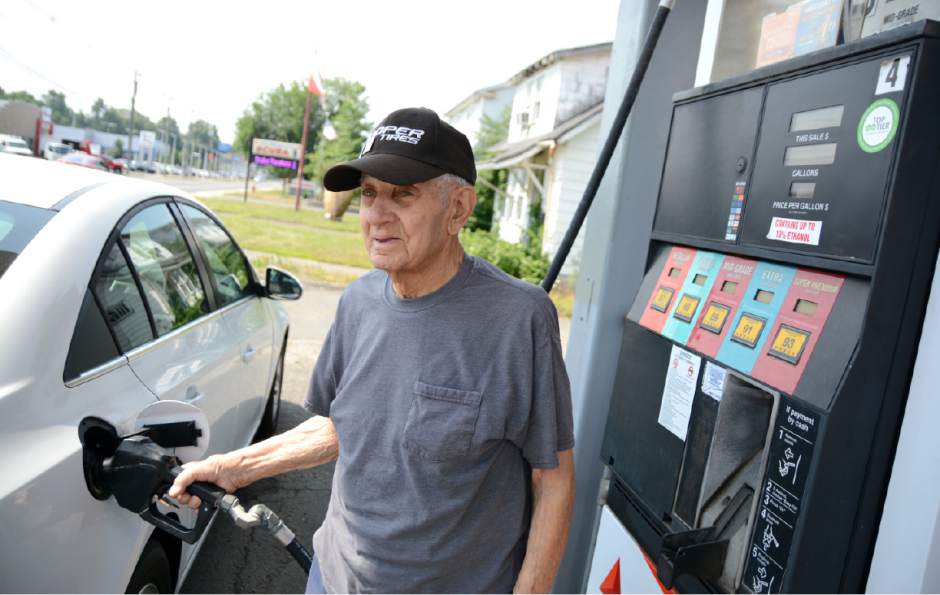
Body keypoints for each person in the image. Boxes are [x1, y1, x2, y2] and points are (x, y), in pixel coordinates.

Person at [169, 107, 575, 593]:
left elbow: (552, 481)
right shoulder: (359, 301)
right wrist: (231, 467)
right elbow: (339, 425)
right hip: (334, 577)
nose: (378, 215)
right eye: (369, 194)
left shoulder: (518, 320)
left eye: (403, 194)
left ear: (459, 209)